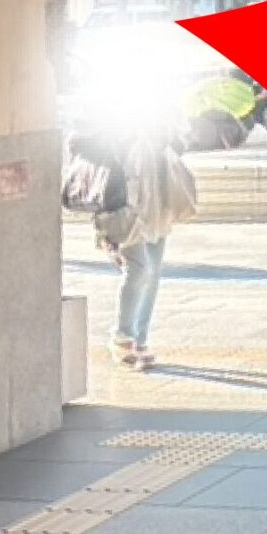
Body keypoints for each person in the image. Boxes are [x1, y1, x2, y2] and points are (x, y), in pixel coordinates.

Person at [87, 111, 197, 371]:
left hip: (158, 200)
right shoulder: (111, 120)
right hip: (126, 207)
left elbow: (182, 140)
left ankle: (140, 339)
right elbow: (85, 146)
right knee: (139, 268)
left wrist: (170, 129)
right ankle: (123, 337)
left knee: (153, 271)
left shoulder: (162, 118)